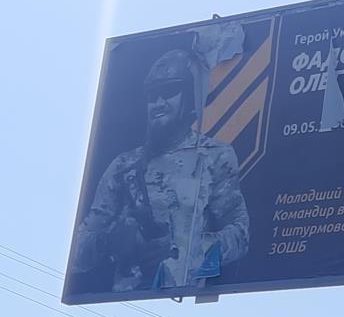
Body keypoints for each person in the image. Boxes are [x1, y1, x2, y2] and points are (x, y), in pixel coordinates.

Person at [70, 49, 249, 292]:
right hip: (127, 301)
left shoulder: (215, 156)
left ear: (190, 96)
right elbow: (77, 254)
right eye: (153, 95)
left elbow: (239, 235)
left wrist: (183, 249)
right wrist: (110, 240)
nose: (158, 103)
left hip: (189, 295)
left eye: (169, 92)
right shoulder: (123, 166)